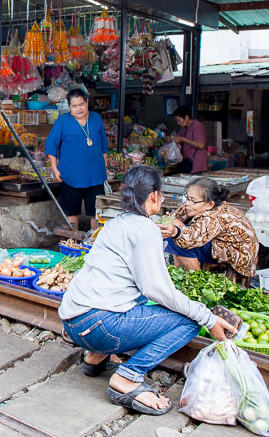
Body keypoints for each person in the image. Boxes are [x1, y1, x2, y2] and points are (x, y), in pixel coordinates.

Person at [59, 165, 235, 415]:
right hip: (99, 325)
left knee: (136, 301)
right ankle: (128, 377)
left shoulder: (114, 224)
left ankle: (95, 358)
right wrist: (207, 316)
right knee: (191, 321)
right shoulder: (145, 230)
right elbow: (158, 291)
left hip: (72, 322)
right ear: (154, 196)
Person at [161, 177, 259, 278]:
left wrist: (176, 231)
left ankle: (194, 281)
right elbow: (173, 217)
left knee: (177, 241)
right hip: (218, 244)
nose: (187, 204)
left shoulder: (216, 216)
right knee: (175, 233)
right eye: (187, 198)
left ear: (209, 204)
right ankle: (184, 274)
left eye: (193, 201)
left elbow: (191, 238)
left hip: (239, 256)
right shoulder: (196, 205)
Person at [45, 88, 108, 231]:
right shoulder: (63, 121)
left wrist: (104, 166)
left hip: (95, 176)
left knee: (96, 213)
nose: (78, 109)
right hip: (71, 176)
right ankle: (73, 244)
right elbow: (50, 146)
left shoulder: (96, 118)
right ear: (69, 106)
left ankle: (95, 245)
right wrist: (55, 170)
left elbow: (104, 146)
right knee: (71, 211)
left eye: (81, 105)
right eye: (74, 106)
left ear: (87, 103)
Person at [170, 106, 208, 174]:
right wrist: (172, 138)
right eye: (177, 121)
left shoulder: (197, 126)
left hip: (196, 164)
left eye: (179, 120)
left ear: (186, 117)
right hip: (187, 162)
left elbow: (201, 145)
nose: (178, 123)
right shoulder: (184, 128)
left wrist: (182, 139)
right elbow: (178, 137)